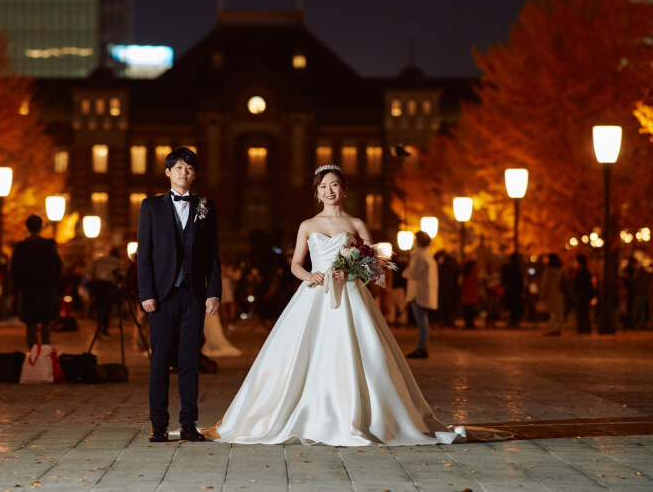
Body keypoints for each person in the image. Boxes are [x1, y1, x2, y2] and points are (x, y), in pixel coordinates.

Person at [201, 165, 504, 446]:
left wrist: (361, 272)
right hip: (315, 294)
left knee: (363, 353)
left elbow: (375, 262)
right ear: (316, 192)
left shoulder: (356, 223)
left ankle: (364, 414)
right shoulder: (308, 224)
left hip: (350, 293)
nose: (329, 191)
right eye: (323, 187)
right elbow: (295, 264)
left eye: (335, 186)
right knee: (301, 353)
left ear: (344, 190)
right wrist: (311, 274)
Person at [137, 147, 221, 443]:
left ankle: (188, 423)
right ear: (168, 172)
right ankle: (158, 424)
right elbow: (143, 254)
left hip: (194, 295)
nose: (185, 173)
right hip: (161, 296)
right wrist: (146, 292)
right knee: (160, 361)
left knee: (188, 361)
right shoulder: (150, 206)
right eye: (179, 168)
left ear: (194, 174)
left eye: (190, 168)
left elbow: (212, 254)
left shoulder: (206, 206)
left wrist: (213, 293)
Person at [10, 214, 63, 349]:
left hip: (28, 288)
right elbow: (58, 266)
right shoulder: (47, 246)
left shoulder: (21, 248)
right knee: (46, 321)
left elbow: (14, 269)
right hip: (45, 287)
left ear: (27, 227)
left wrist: (18, 286)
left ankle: (33, 351)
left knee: (30, 322)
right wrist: (55, 283)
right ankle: (45, 351)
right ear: (41, 227)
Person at [404, 231, 438, 358]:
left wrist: (406, 270)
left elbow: (414, 274)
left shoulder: (419, 256)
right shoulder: (428, 255)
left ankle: (422, 347)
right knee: (424, 321)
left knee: (422, 322)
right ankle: (422, 346)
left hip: (418, 293)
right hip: (424, 292)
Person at [87, 248, 123, 337]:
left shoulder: (99, 260)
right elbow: (122, 274)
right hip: (109, 285)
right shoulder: (117, 262)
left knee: (99, 307)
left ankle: (99, 327)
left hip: (97, 284)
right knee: (107, 308)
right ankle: (104, 328)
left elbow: (89, 272)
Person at [538, 253, 565, 336]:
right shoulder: (561, 270)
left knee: (553, 312)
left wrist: (543, 294)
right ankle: (558, 328)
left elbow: (545, 283)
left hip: (551, 293)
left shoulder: (549, 270)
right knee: (558, 312)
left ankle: (553, 329)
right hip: (559, 292)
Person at [572, 253, 594, 334]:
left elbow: (581, 285)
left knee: (582, 312)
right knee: (583, 312)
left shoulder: (581, 272)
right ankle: (583, 328)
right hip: (584, 295)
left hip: (582, 295)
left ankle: (583, 328)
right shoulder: (584, 272)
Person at [501, 253, 524, 328]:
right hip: (515, 290)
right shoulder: (516, 268)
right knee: (515, 306)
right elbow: (519, 281)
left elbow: (504, 279)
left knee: (512, 306)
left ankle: (512, 320)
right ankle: (514, 320)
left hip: (510, 290)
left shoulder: (508, 268)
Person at [460, 260, 479, 329]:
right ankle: (470, 323)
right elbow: (476, 280)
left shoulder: (465, 272)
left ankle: (467, 323)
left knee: (467, 309)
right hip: (472, 292)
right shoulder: (473, 271)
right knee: (471, 309)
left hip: (466, 292)